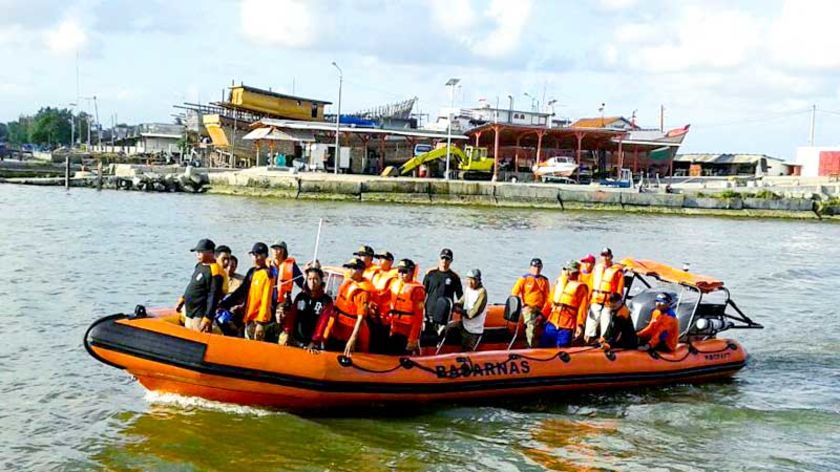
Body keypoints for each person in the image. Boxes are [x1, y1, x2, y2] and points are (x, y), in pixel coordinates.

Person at [218, 242, 276, 341]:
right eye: (253, 255)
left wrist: (261, 323)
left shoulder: (268, 274)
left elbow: (266, 300)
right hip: (248, 317)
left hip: (259, 320)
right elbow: (241, 291)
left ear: (265, 256)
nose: (255, 258)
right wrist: (223, 304)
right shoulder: (252, 272)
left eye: (258, 255)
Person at [319, 257, 375, 356]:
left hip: (350, 329)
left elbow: (360, 318)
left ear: (361, 271)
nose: (349, 270)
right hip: (338, 325)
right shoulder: (348, 281)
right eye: (349, 268)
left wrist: (352, 339)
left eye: (353, 268)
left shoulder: (362, 292)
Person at [279, 264, 334, 348]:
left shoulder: (326, 301)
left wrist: (314, 341)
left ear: (321, 280)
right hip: (296, 339)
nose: (312, 282)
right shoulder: (301, 296)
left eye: (316, 279)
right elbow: (292, 315)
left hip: (312, 343)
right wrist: (287, 331)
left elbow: (322, 322)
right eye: (310, 279)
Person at [175, 239, 224, 333]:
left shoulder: (215, 271)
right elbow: (192, 285)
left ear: (210, 252)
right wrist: (183, 299)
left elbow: (213, 295)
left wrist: (208, 318)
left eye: (200, 252)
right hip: (190, 312)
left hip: (200, 314)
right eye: (197, 252)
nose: (197, 254)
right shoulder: (199, 266)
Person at [541, 260, 590, 348]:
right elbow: (550, 301)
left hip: (567, 325)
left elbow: (582, 309)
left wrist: (580, 325)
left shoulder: (581, 288)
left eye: (570, 271)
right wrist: (542, 315)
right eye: (566, 270)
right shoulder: (559, 283)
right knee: (545, 345)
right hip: (552, 321)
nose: (567, 273)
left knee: (562, 347)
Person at [385, 259, 426, 354]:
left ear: (411, 272)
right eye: (399, 271)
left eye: (404, 271)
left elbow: (418, 317)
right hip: (394, 326)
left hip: (407, 330)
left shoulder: (417, 290)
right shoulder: (395, 284)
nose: (401, 274)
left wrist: (412, 339)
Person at [585, 247, 625, 344]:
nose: (605, 258)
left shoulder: (617, 271)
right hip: (596, 299)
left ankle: (604, 341)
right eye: (603, 256)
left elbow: (620, 289)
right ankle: (587, 340)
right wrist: (588, 300)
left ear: (611, 257)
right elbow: (591, 285)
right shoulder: (597, 269)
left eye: (607, 256)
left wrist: (616, 302)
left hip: (609, 302)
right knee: (591, 322)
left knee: (606, 320)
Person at [511, 258, 551, 348]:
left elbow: (548, 297)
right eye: (534, 266)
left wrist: (544, 313)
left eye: (538, 267)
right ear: (530, 267)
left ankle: (545, 347)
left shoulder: (544, 280)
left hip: (541, 308)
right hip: (529, 307)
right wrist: (523, 305)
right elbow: (514, 293)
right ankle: (530, 347)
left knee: (547, 327)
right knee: (531, 327)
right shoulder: (524, 279)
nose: (536, 269)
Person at [422, 248, 463, 329]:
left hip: (444, 314)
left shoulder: (454, 277)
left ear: (451, 261)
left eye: (447, 258)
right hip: (429, 312)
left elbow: (460, 297)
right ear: (439, 258)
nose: (444, 260)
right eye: (443, 258)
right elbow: (423, 293)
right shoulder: (430, 273)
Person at [447, 269, 488, 351]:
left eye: (472, 280)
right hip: (463, 324)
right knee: (447, 328)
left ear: (478, 280)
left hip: (473, 330)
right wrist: (454, 305)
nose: (469, 282)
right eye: (468, 279)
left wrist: (459, 311)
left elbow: (473, 313)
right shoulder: (468, 289)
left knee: (467, 349)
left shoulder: (482, 293)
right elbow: (462, 300)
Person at [269, 240, 304, 308]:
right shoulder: (267, 266)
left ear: (284, 251)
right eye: (274, 248)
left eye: (278, 248)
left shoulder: (291, 266)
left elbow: (301, 283)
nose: (275, 251)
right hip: (269, 302)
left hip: (284, 303)